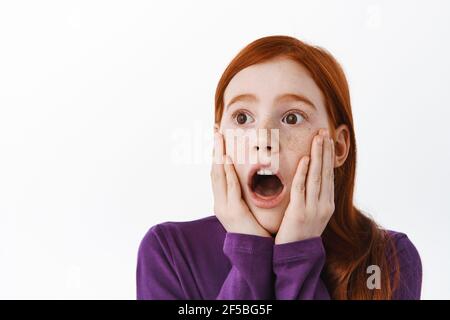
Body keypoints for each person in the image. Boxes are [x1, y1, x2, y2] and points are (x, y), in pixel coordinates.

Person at [136, 35, 422, 300]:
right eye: (242, 118)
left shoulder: (388, 259)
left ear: (338, 147)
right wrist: (248, 249)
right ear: (219, 142)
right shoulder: (169, 253)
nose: (264, 139)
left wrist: (297, 256)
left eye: (293, 118)